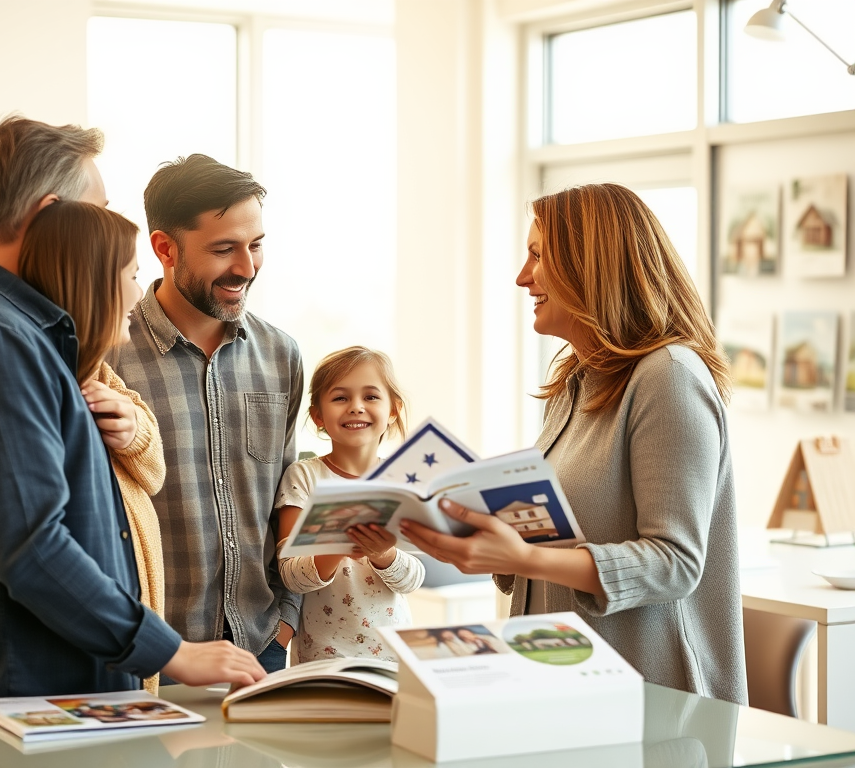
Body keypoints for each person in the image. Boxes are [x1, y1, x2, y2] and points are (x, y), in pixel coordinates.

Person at [0, 118, 264, 708]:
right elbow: (32, 547)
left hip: (66, 701)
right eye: (101, 211)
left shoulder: (32, 336)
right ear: (51, 215)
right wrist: (171, 652)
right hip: (19, 707)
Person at [401, 183, 747, 705]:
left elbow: (674, 563)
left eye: (537, 255)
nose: (522, 277)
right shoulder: (573, 384)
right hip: (566, 687)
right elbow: (561, 536)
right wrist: (479, 535)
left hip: (654, 698)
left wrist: (525, 558)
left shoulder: (668, 378)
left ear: (590, 264)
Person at [114, 154, 304, 673]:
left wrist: (287, 616)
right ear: (164, 248)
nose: (246, 267)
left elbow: (291, 494)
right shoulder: (106, 355)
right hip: (151, 657)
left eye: (256, 245)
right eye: (224, 249)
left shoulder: (281, 355)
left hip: (262, 647)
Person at [18, 199, 166, 695]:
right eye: (132, 275)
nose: (138, 293)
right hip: (89, 664)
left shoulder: (100, 373)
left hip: (127, 667)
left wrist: (136, 432)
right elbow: (37, 543)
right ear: (98, 284)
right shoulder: (47, 383)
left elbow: (154, 474)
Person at [275, 346, 425, 663]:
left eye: (371, 396)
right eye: (340, 398)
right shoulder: (303, 477)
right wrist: (338, 544)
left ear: (393, 409)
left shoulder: (403, 481)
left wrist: (383, 554)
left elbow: (413, 580)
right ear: (318, 415)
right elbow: (290, 577)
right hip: (322, 659)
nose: (356, 407)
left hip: (393, 656)